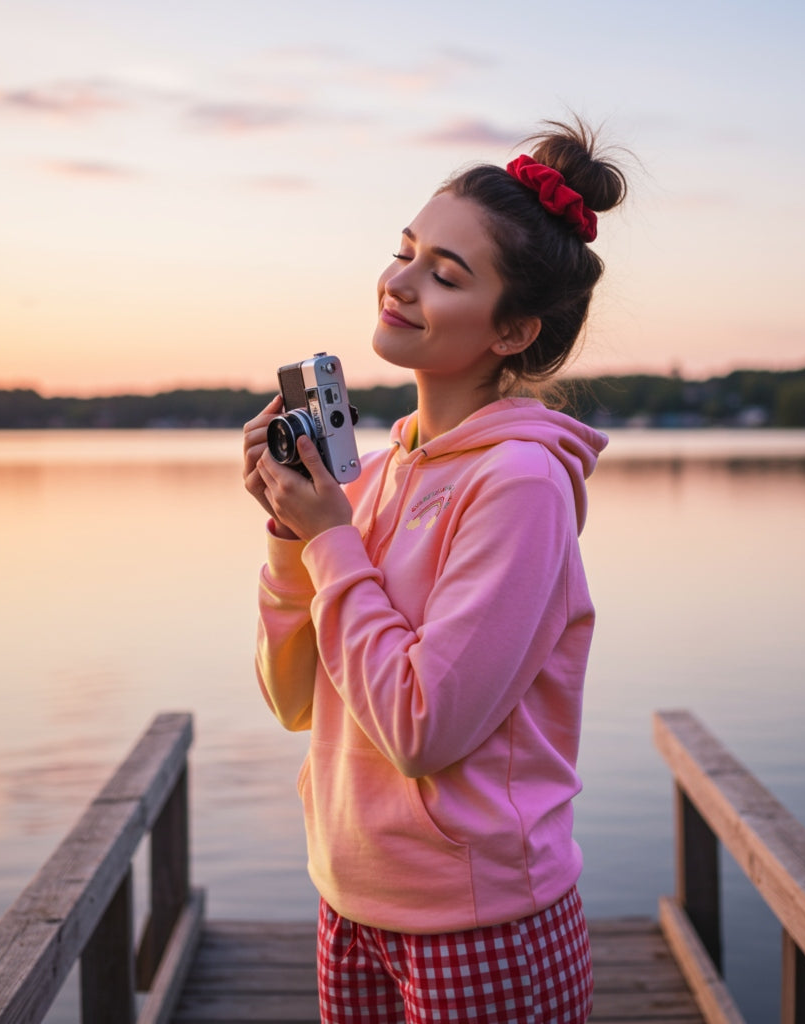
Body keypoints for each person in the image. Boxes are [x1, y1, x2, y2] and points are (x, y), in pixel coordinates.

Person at [243, 117, 627, 1024]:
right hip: (350, 900)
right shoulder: (372, 476)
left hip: (480, 920)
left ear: (515, 330)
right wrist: (290, 532)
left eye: (445, 275)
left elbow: (422, 728)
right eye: (405, 251)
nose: (400, 283)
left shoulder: (521, 482)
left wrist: (331, 539)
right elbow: (296, 699)